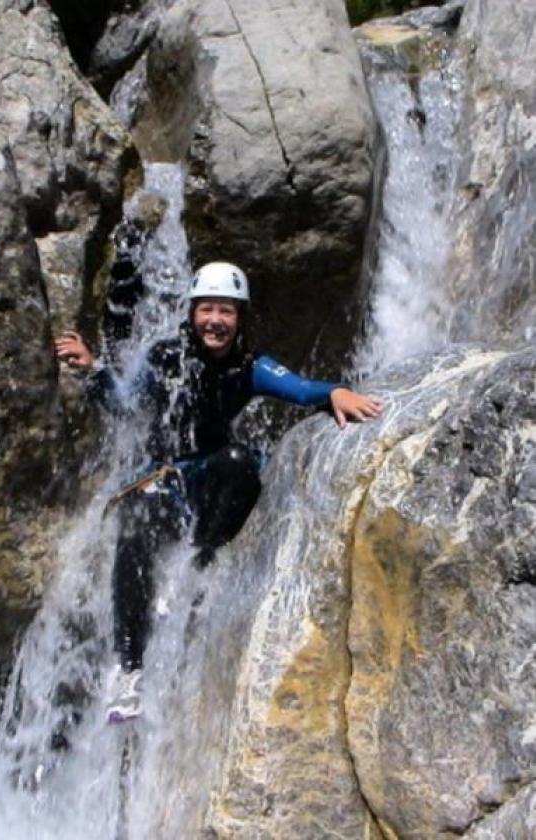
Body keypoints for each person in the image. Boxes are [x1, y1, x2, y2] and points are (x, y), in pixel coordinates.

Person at [55, 262, 383, 723]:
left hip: (211, 478)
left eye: (225, 311)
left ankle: (200, 563)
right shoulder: (165, 359)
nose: (215, 320)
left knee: (239, 463)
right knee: (133, 528)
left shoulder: (249, 367)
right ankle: (130, 671)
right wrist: (93, 371)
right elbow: (125, 406)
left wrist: (335, 393)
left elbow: (302, 389)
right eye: (206, 309)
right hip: (167, 480)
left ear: (239, 318)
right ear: (191, 315)